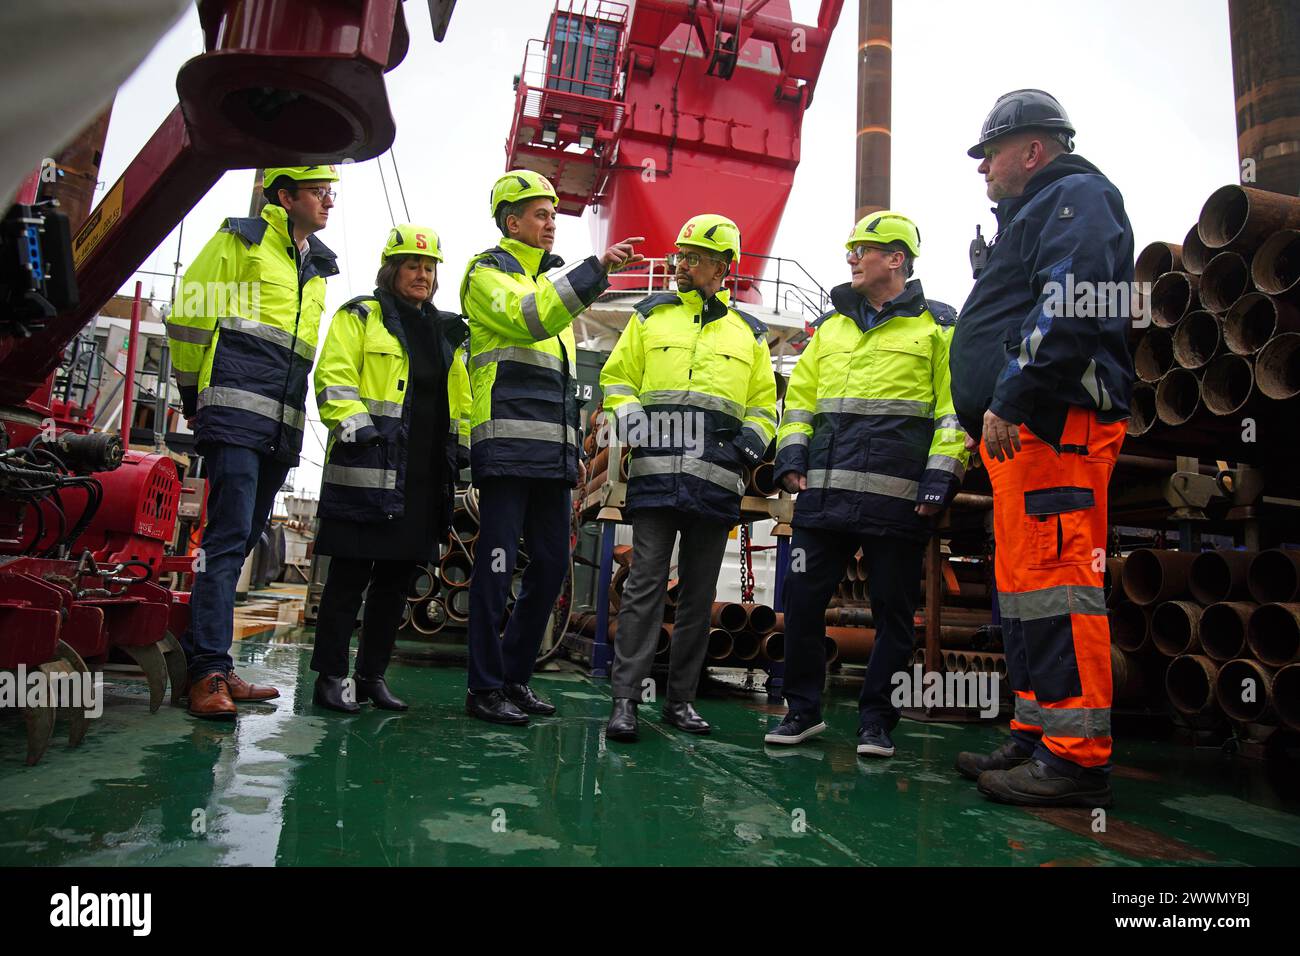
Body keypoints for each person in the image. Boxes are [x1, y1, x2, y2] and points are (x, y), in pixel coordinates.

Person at [949, 90, 1134, 807]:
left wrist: (1012, 394)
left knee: (1059, 582)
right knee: (1026, 589)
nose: (983, 170)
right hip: (1024, 436)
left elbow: (1073, 298)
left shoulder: (1077, 195)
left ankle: (1076, 757)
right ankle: (1036, 734)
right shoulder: (1034, 214)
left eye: (990, 154)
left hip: (1057, 425)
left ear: (1033, 149)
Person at [762, 212, 968, 756]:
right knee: (801, 603)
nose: (851, 257)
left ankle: (877, 721)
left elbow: (953, 411)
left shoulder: (938, 326)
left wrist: (938, 479)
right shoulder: (830, 327)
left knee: (894, 616)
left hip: (898, 501)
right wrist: (791, 457)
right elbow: (801, 400)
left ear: (896, 258)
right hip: (823, 498)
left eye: (862, 249)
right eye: (851, 248)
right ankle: (801, 711)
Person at [460, 169, 642, 725]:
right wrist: (597, 271)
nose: (550, 224)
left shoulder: (553, 283)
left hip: (552, 456)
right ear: (510, 221)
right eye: (540, 214)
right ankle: (483, 688)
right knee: (495, 569)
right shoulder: (487, 275)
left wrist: (576, 451)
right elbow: (529, 319)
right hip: (507, 449)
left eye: (552, 215)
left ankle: (514, 678)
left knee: (551, 567)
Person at [166, 165, 339, 719]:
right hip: (234, 415)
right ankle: (207, 675)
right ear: (285, 196)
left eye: (331, 192)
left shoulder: (318, 267)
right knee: (228, 539)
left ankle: (215, 661)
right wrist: (196, 395)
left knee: (239, 545)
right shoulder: (239, 240)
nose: (328, 201)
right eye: (318, 192)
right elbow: (191, 318)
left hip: (280, 426)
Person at [599, 214, 777, 741]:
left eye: (693, 258)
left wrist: (747, 448)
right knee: (644, 588)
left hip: (715, 482)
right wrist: (634, 424)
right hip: (655, 477)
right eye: (679, 255)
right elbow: (617, 377)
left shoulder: (749, 334)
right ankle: (625, 702)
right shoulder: (650, 317)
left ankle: (680, 702)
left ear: (723, 268)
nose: (681, 265)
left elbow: (763, 405)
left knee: (699, 596)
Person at [310, 223, 470, 713]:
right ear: (392, 270)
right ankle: (331, 677)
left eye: (429, 267)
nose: (422, 275)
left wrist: (462, 453)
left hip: (422, 478)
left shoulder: (447, 331)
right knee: (349, 578)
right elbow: (333, 376)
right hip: (368, 470)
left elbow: (461, 398)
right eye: (412, 265)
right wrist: (361, 434)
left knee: (396, 584)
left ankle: (372, 676)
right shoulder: (361, 315)